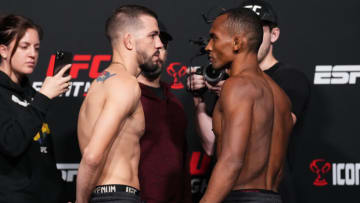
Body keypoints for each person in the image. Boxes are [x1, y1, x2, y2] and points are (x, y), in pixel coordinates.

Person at [188, 1, 310, 201]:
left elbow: (231, 161)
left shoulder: (236, 85)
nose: (208, 47)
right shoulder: (278, 95)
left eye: (214, 38)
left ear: (237, 43)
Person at [76, 5, 163, 203]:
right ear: (129, 41)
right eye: (153, 35)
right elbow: (92, 156)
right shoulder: (126, 84)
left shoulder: (101, 82)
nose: (159, 43)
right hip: (118, 197)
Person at [0, 14, 71, 202]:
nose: (33, 54)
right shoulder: (36, 98)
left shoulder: (31, 94)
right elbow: (11, 144)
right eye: (24, 47)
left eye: (36, 48)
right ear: (3, 50)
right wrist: (43, 98)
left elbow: (45, 157)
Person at [137, 23, 192, 203]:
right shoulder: (126, 97)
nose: (159, 46)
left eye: (164, 42)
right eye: (152, 39)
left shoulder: (174, 102)